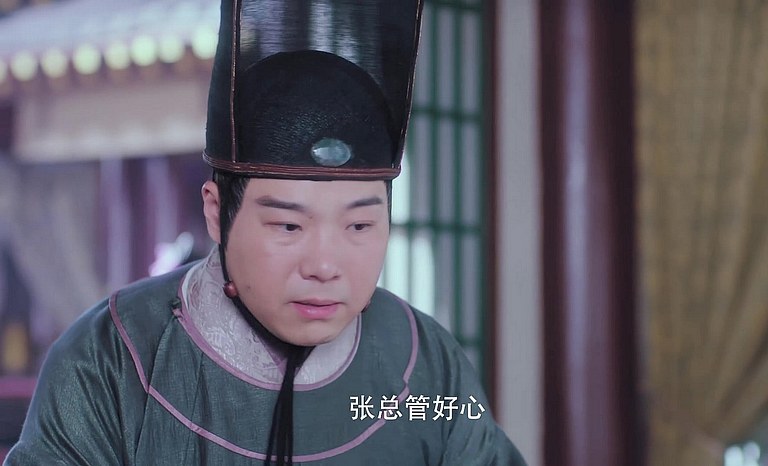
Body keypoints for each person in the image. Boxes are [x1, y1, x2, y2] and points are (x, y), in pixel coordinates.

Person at [4, 0, 525, 464]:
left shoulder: (424, 360)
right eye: (288, 225)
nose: (325, 266)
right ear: (217, 213)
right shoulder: (111, 358)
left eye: (359, 225)